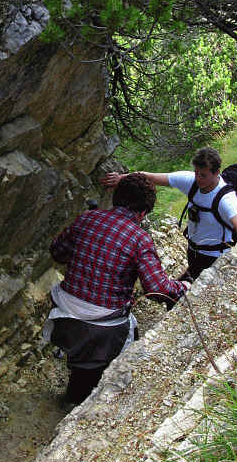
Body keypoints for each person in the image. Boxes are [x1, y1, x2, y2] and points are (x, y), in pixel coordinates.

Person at [46, 173, 189, 405]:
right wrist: (182, 286)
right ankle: (94, 398)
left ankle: (76, 381)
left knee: (86, 352)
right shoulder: (140, 239)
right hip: (102, 326)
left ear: (116, 197)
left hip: (63, 309)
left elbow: (57, 252)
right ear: (143, 213)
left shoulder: (86, 219)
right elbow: (156, 288)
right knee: (127, 341)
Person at [102, 147, 237, 282]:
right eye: (196, 173)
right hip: (193, 250)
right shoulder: (191, 181)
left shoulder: (226, 200)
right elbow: (151, 177)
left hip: (214, 256)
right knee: (189, 280)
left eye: (203, 175)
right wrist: (122, 178)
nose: (198, 178)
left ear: (216, 173)